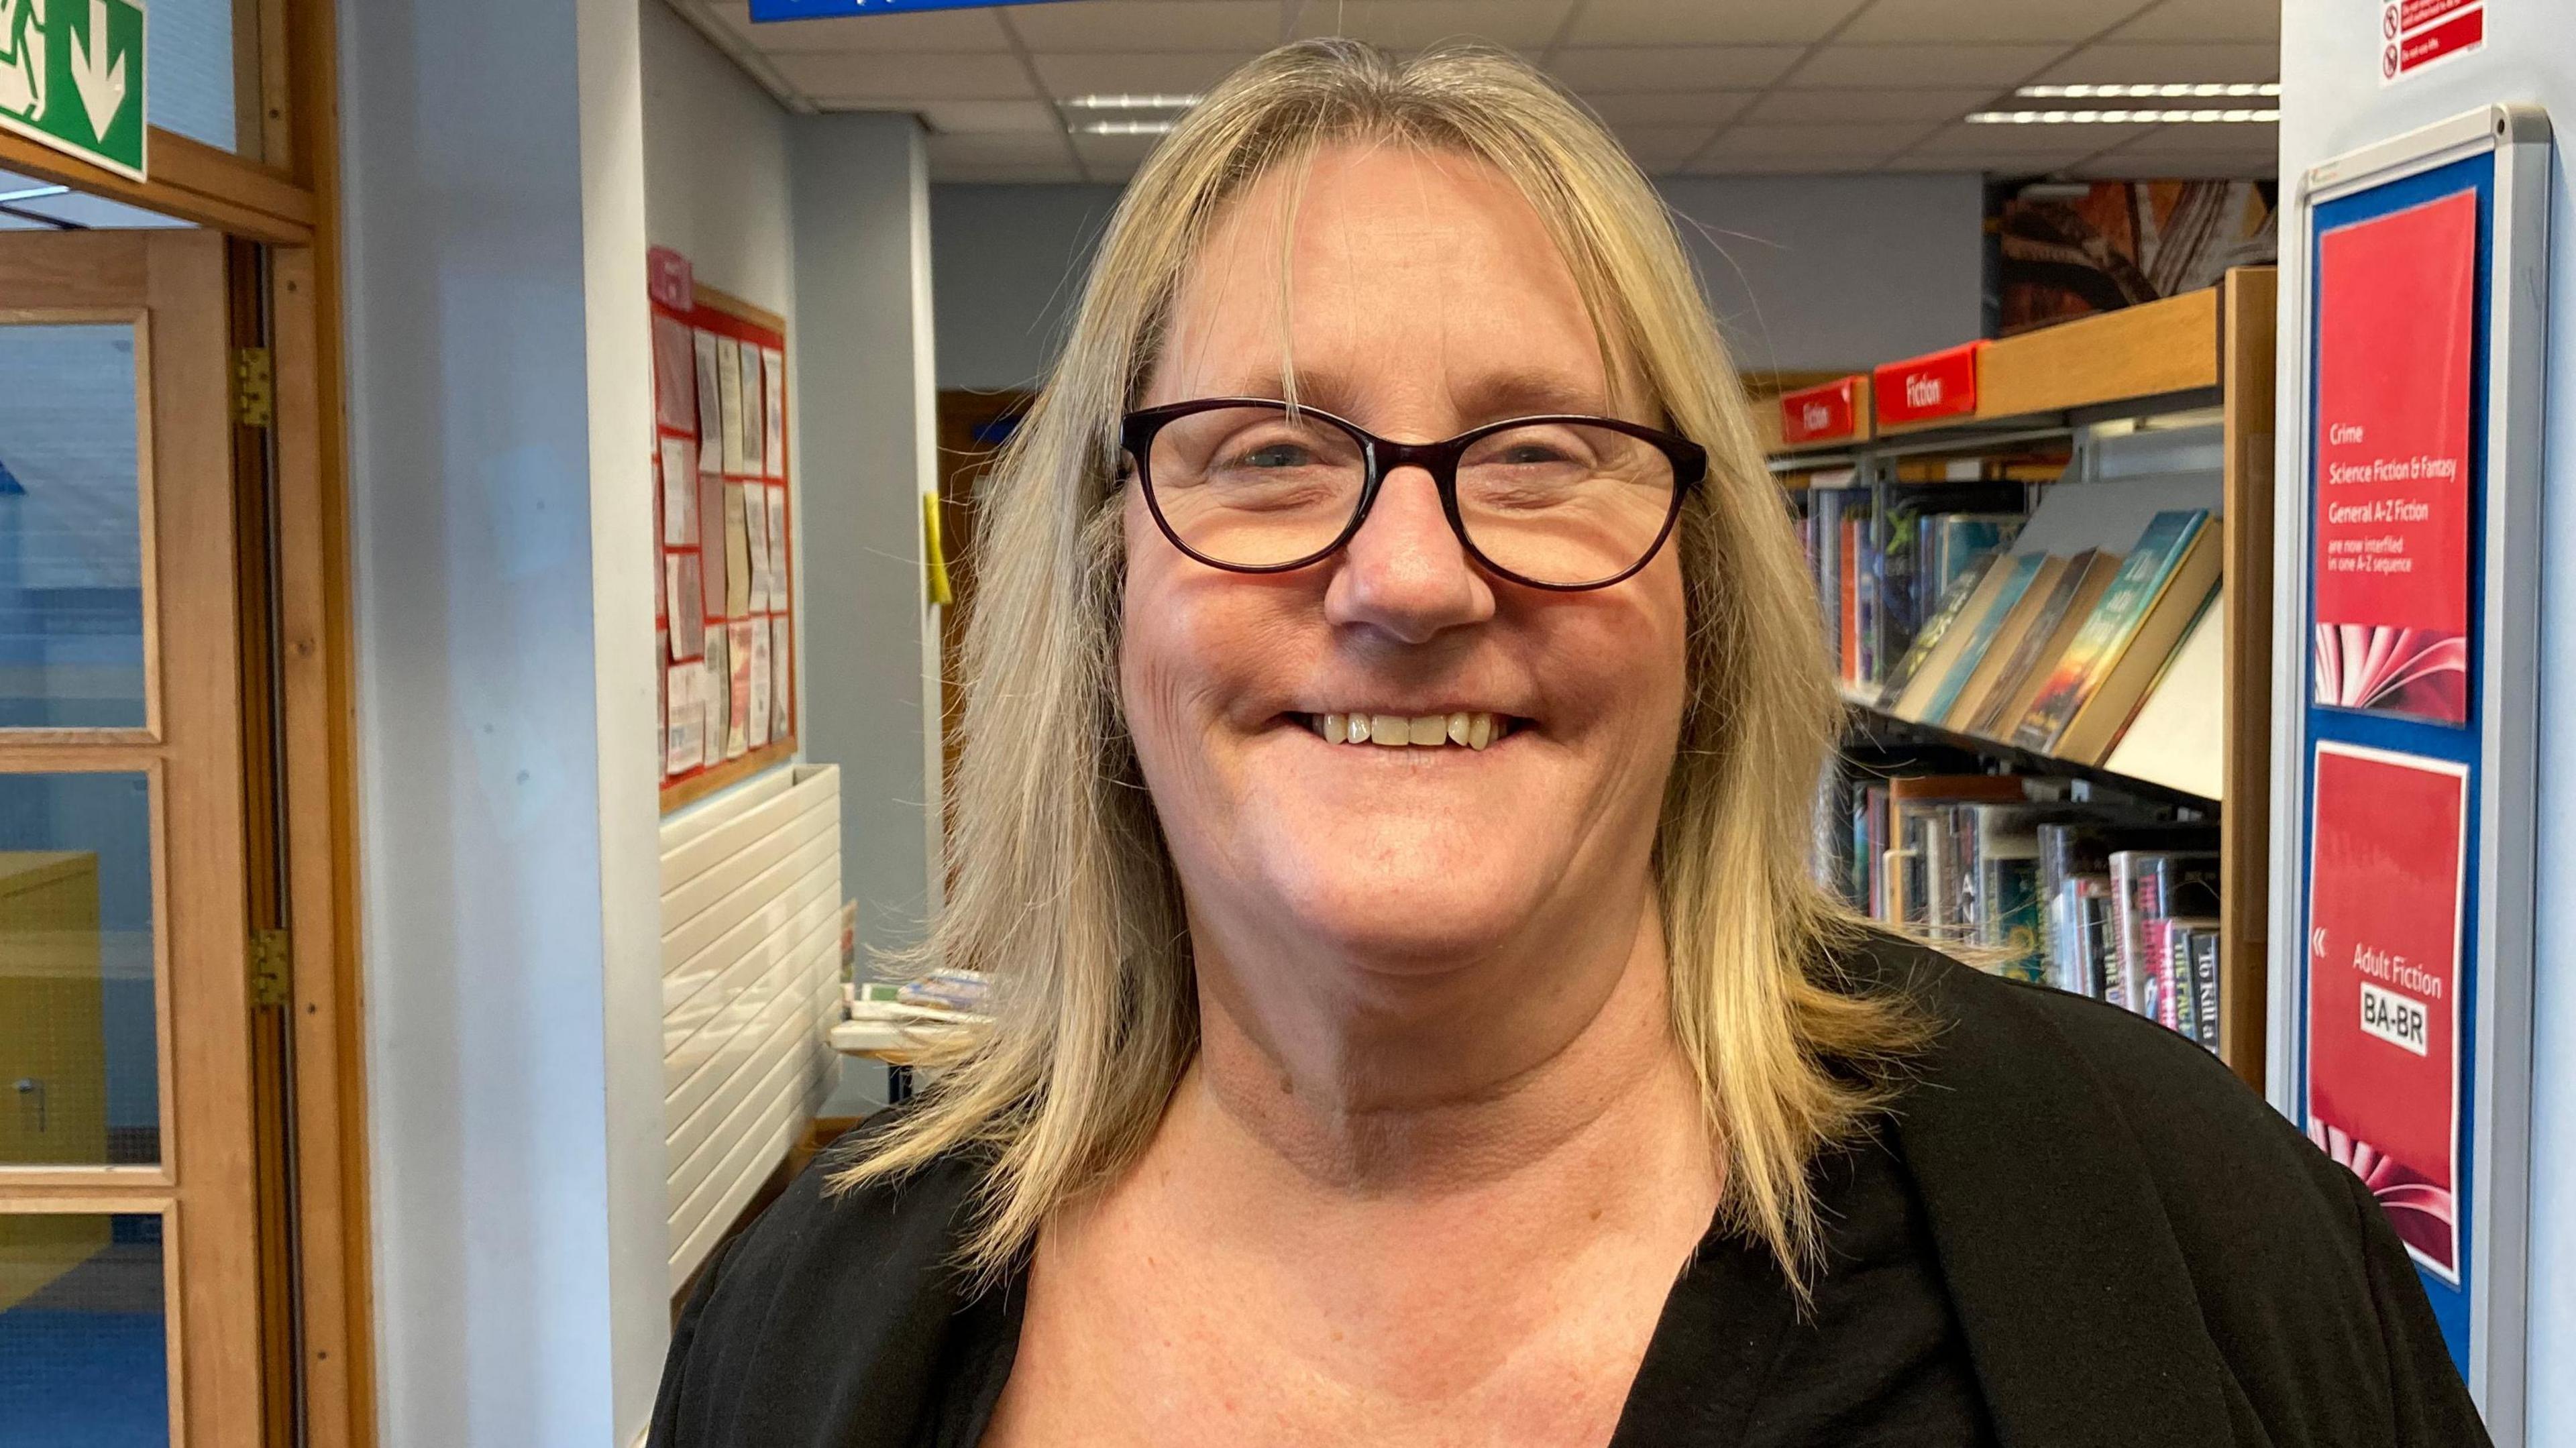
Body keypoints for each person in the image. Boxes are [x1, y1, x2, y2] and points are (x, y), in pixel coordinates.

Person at [651, 39, 2485, 1448]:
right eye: (1271, 455)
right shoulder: (811, 1325)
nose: (1410, 577)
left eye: (1541, 457)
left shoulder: (2192, 1240)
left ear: (1706, 600)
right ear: (1101, 588)